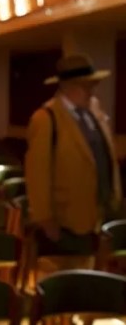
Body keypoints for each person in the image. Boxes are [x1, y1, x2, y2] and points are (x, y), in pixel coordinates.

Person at [25, 54, 123, 266]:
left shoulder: (93, 112)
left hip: (100, 214)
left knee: (95, 277)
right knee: (71, 279)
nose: (91, 91)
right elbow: (37, 174)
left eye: (92, 86)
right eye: (86, 86)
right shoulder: (47, 118)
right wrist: (46, 220)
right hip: (67, 222)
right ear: (68, 87)